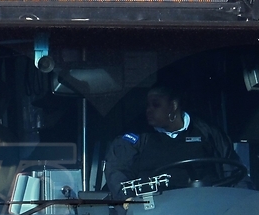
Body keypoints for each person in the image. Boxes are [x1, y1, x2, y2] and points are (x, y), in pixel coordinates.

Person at [104, 85, 243, 199]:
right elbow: (117, 171)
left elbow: (233, 173)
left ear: (173, 105)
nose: (149, 110)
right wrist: (127, 199)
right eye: (148, 105)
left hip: (207, 209)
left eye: (156, 105)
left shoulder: (208, 132)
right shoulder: (136, 137)